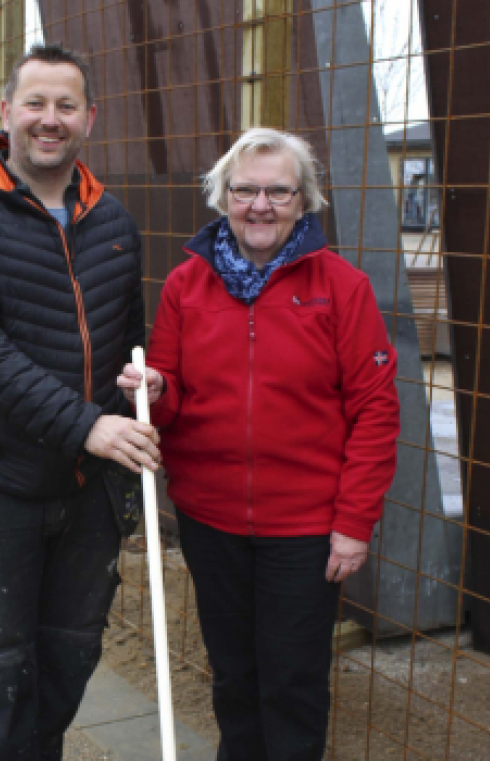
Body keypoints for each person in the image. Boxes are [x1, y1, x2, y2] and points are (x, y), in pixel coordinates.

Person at [118, 127, 401, 760]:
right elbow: (170, 398)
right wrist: (156, 387)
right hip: (211, 518)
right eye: (246, 190)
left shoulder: (342, 288)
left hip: (305, 529)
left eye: (278, 191)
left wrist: (354, 521)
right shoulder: (189, 284)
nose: (261, 205)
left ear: (304, 200)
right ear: (224, 197)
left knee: (293, 685)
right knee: (235, 678)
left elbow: (376, 412)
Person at [0, 43, 159, 760]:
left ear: (90, 117)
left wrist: (148, 385)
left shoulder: (112, 222)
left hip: (85, 497)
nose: (50, 120)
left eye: (66, 105)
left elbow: (126, 345)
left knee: (65, 665)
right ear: (7, 113)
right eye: (36, 103)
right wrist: (88, 426)